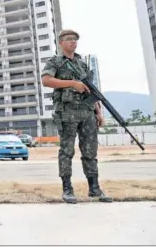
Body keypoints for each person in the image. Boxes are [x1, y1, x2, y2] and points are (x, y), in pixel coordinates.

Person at [41, 29, 112, 204]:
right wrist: (72, 83)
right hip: (67, 113)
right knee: (66, 151)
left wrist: (98, 113)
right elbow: (46, 80)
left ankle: (94, 188)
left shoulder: (82, 64)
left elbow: (92, 90)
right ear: (61, 43)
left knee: (90, 151)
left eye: (75, 39)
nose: (73, 42)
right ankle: (67, 189)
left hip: (87, 113)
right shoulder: (55, 61)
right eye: (69, 39)